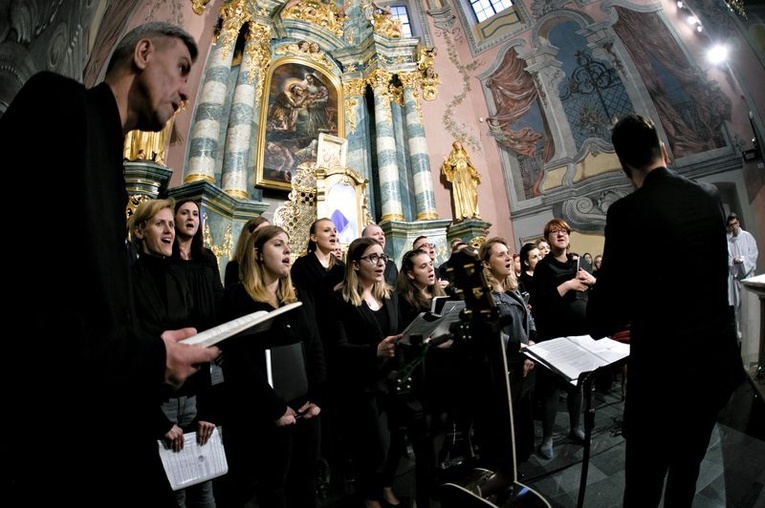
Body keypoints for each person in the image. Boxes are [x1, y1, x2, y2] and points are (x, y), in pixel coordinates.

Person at [1, 21, 220, 506]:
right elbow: (22, 287)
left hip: (97, 420)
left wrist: (150, 348)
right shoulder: (58, 104)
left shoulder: (111, 167)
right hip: (48, 430)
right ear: (143, 52)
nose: (186, 91)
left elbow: (93, 307)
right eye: (182, 69)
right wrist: (148, 356)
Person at [587, 114, 745, 507]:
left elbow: (607, 311)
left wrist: (599, 311)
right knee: (686, 475)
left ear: (624, 167)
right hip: (712, 364)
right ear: (664, 150)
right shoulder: (708, 195)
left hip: (663, 372)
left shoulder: (626, 212)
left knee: (643, 483)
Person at [218, 225, 325, 508]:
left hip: (305, 409)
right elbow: (238, 361)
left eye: (288, 244)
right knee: (271, 489)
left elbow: (315, 347)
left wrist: (317, 397)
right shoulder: (237, 298)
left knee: (305, 485)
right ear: (258, 254)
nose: (288, 250)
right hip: (263, 414)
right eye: (278, 244)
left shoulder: (300, 296)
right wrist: (274, 408)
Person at [129, 198, 219, 508]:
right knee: (171, 495)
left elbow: (196, 342)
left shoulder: (180, 276)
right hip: (157, 407)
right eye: (160, 224)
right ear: (139, 231)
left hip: (193, 401)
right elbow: (130, 354)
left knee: (205, 491)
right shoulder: (127, 280)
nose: (169, 230)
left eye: (171, 223)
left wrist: (208, 409)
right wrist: (159, 423)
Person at [328, 237, 403, 508]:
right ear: (355, 264)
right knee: (375, 446)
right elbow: (337, 348)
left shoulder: (390, 295)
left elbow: (399, 331)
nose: (380, 263)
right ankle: (370, 493)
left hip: (393, 379)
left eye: (382, 257)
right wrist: (374, 351)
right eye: (372, 257)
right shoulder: (341, 298)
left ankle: (385, 485)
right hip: (362, 385)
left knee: (396, 440)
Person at [529, 218, 596, 460]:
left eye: (564, 231)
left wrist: (591, 282)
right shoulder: (543, 268)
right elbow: (539, 303)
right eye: (554, 231)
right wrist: (567, 285)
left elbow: (593, 293)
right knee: (551, 389)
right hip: (554, 334)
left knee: (576, 384)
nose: (560, 234)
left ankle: (575, 428)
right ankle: (547, 438)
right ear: (547, 238)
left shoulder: (579, 263)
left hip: (580, 333)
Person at [478, 237, 537, 488]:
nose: (507, 258)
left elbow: (528, 318)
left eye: (507, 253)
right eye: (500, 255)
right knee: (504, 427)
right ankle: (501, 476)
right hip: (503, 369)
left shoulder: (513, 288)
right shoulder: (484, 296)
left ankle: (513, 471)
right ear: (487, 264)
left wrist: (532, 342)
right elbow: (487, 333)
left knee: (522, 422)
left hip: (524, 364)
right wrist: (518, 348)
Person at [726, 212, 758, 340]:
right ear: (728, 227)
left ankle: (754, 336)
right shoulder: (728, 241)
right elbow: (726, 259)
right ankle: (741, 337)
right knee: (738, 310)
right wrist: (733, 261)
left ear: (738, 222)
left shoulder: (747, 236)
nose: (733, 227)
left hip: (748, 277)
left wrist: (743, 260)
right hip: (736, 279)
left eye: (735, 223)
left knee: (751, 308)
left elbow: (754, 253)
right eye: (731, 225)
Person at [225, 216, 270, 288]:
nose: (266, 235)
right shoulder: (234, 266)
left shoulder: (271, 265)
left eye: (268, 231)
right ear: (249, 236)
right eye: (261, 231)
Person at [441, 140, 481, 221]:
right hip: (458, 176)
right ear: (454, 147)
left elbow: (471, 166)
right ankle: (464, 213)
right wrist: (446, 162)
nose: (458, 145)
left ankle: (474, 212)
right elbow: (448, 167)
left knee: (474, 194)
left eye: (459, 143)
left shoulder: (465, 155)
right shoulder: (453, 156)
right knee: (461, 194)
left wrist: (474, 174)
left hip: (467, 175)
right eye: (456, 144)